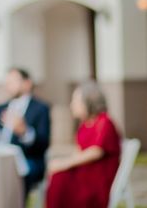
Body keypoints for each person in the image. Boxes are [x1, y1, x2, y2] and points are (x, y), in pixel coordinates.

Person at [46, 80, 121, 208]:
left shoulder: (104, 122)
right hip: (86, 173)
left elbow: (96, 151)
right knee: (59, 176)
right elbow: (79, 151)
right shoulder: (85, 125)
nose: (72, 105)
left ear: (89, 102)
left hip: (98, 178)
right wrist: (62, 164)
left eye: (75, 101)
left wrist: (63, 164)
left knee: (60, 177)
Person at [0, 67, 50, 196]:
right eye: (7, 82)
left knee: (17, 173)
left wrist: (25, 132)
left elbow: (44, 144)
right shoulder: (0, 108)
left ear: (27, 83)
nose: (8, 86)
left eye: (12, 81)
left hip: (27, 159)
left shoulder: (41, 108)